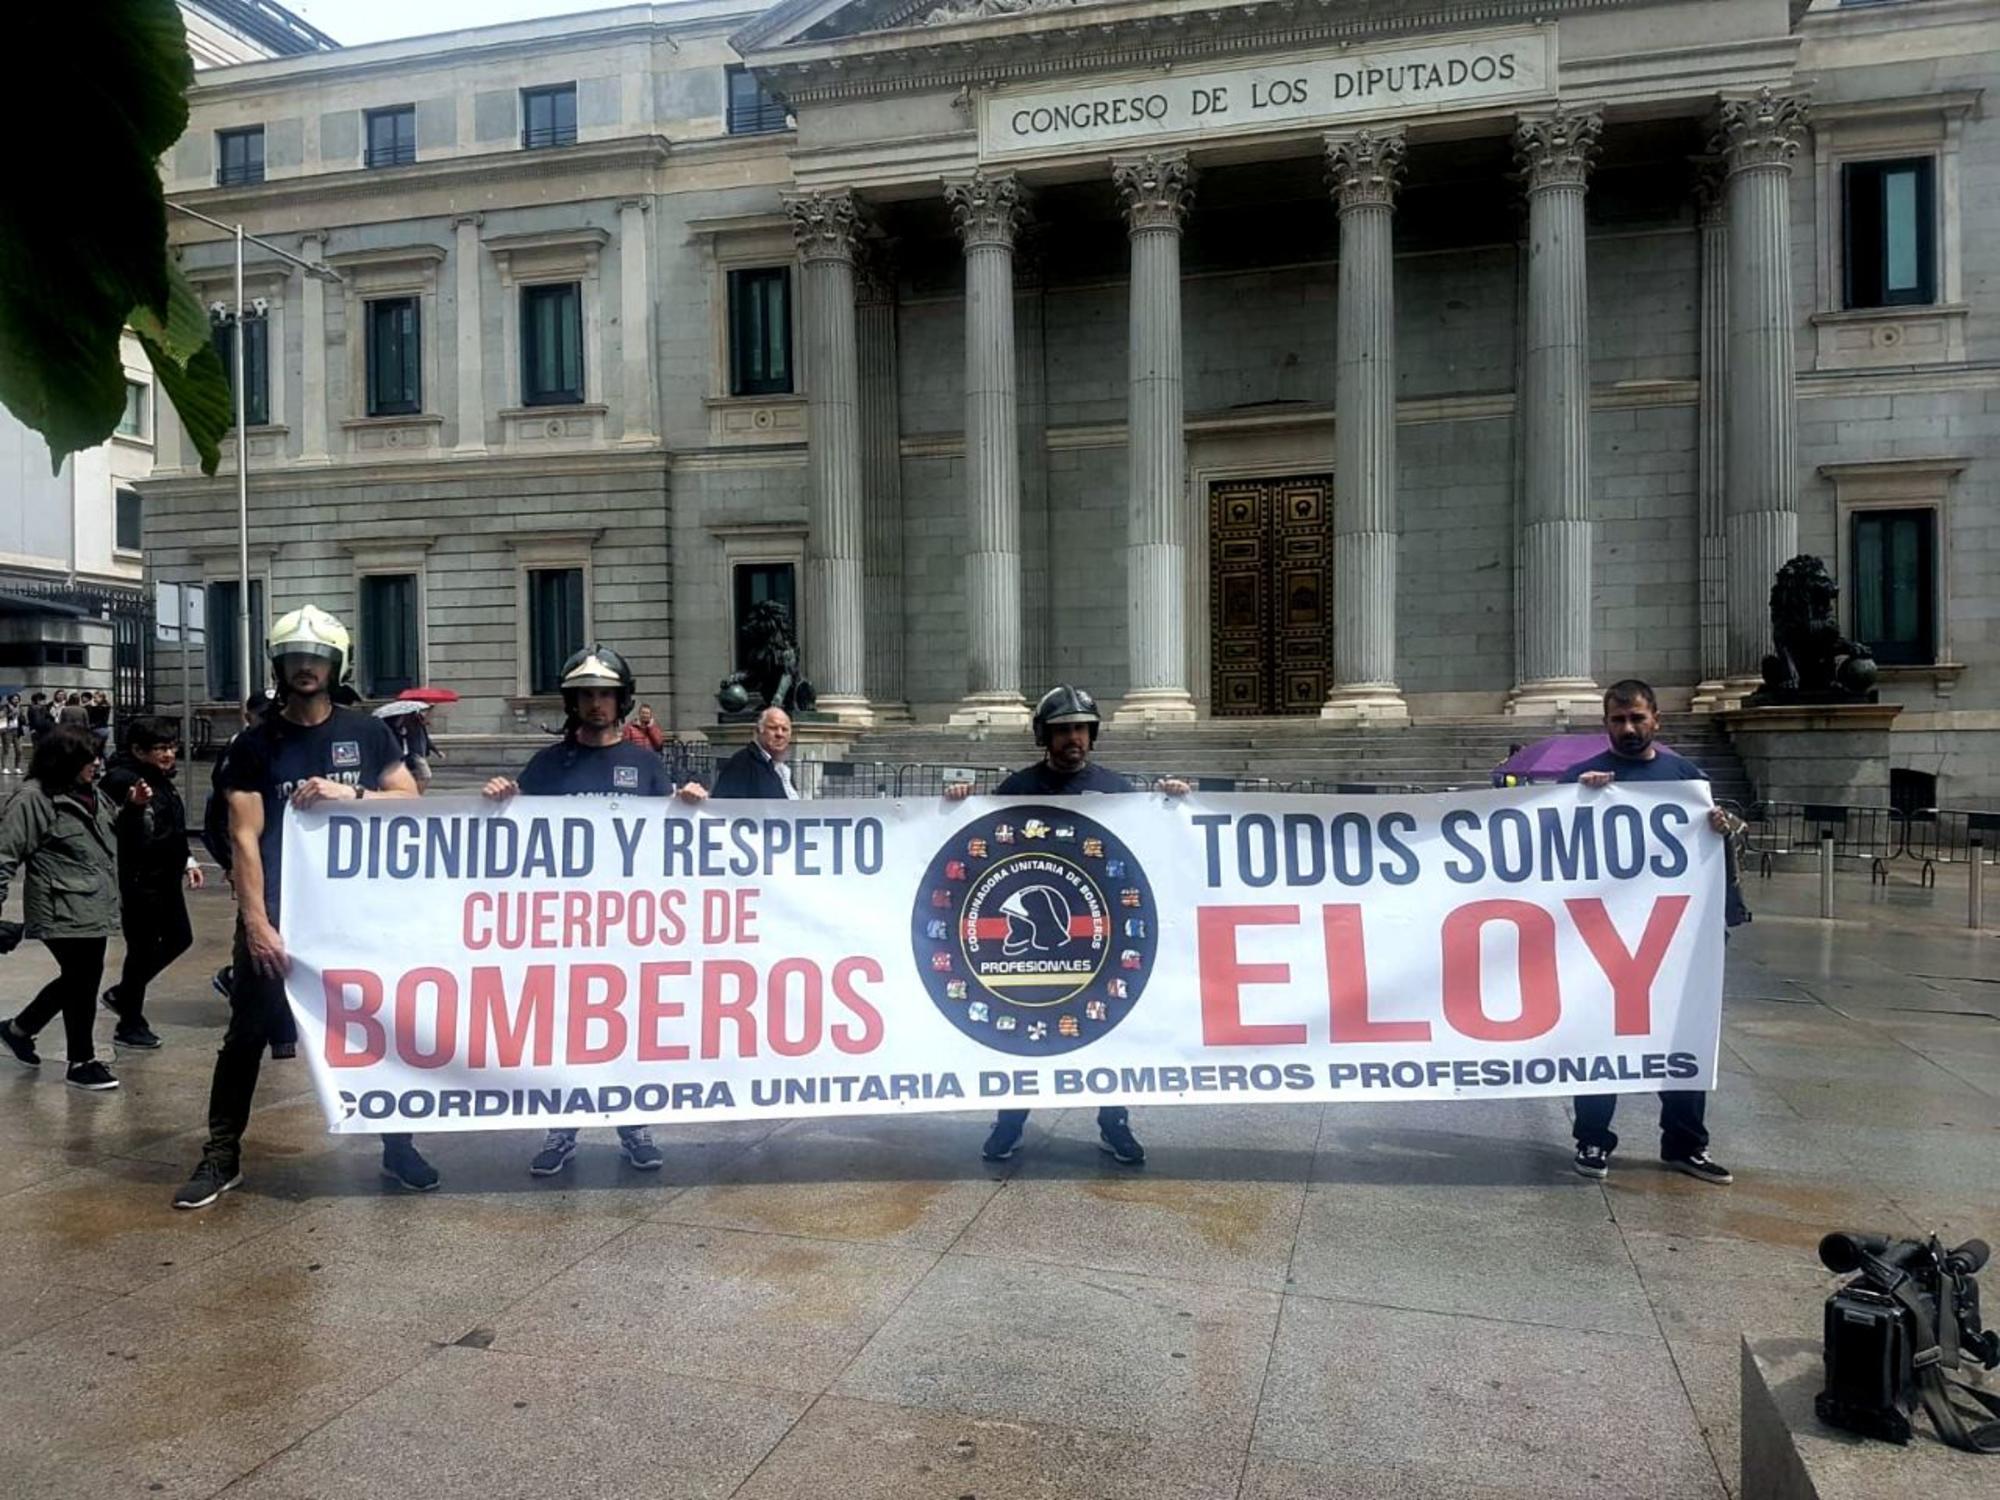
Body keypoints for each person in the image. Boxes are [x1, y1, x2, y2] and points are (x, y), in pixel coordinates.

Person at [173, 605, 437, 1210]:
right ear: (279, 665)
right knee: (245, 1035)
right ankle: (222, 1153)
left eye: (316, 658)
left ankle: (398, 1147)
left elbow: (410, 800)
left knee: (379, 1031)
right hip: (280, 912)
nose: (305, 668)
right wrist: (256, 922)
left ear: (334, 664)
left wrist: (353, 792)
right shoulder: (254, 744)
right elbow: (243, 837)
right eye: (295, 658)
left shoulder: (368, 733)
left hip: (358, 915)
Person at [943, 685, 1190, 1167]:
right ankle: (1010, 1121)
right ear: (1044, 737)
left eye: (1080, 728)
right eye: (1061, 731)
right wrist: (958, 805)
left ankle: (1113, 1122)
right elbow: (982, 849)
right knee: (1020, 1031)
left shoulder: (1120, 791)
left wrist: (1174, 804)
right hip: (1034, 942)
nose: (1072, 738)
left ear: (1092, 734)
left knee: (1111, 1029)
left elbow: (1153, 854)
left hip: (1103, 937)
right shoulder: (1016, 790)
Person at [484, 645, 701, 1176]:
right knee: (565, 1028)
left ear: (621, 700)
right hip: (564, 926)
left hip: (630, 924)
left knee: (628, 1025)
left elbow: (670, 838)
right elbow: (512, 839)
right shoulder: (547, 765)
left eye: (605, 694)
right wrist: (495, 801)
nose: (596, 704)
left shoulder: (645, 764)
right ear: (572, 702)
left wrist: (691, 804)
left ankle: (634, 1126)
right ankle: (562, 1129)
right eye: (586, 695)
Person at [1560, 678, 1739, 1187]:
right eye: (1618, 720)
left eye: (1637, 718)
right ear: (1605, 724)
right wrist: (1576, 801)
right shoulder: (1580, 779)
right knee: (1598, 1038)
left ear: (1657, 719)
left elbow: (1712, 844)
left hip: (1673, 936)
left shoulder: (1686, 778)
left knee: (1682, 1035)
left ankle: (1685, 1144)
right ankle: (1592, 1139)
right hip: (1602, 937)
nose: (1628, 728)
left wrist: (1721, 826)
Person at [0, 726, 128, 1090]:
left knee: (81, 978)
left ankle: (19, 1028)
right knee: (82, 980)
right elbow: (4, 856)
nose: (97, 765)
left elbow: (114, 840)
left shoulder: (93, 795)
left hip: (94, 905)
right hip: (59, 906)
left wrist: (135, 809)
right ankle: (81, 1060)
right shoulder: (33, 799)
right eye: (89, 758)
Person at [99, 717, 204, 1050]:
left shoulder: (161, 779)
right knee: (141, 949)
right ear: (138, 750)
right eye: (160, 748)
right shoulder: (123, 781)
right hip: (139, 879)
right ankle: (130, 1021)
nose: (169, 754)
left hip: (166, 876)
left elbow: (171, 824)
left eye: (171, 747)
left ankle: (124, 994)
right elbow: (124, 831)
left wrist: (188, 859)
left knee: (179, 938)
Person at [710, 706, 799, 799]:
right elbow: (725, 805)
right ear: (758, 731)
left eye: (785, 729)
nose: (780, 734)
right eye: (773, 728)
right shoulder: (741, 764)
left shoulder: (783, 768)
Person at [0, 695, 21, 774]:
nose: (16, 700)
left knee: (19, 750)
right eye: (14, 699)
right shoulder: (5, 707)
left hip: (16, 730)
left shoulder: (19, 707)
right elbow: (1, 717)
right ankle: (4, 767)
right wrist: (12, 714)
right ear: (10, 700)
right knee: (6, 749)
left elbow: (21, 717)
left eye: (17, 699)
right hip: (7, 730)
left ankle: (17, 767)